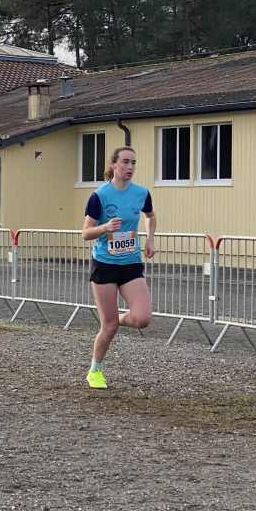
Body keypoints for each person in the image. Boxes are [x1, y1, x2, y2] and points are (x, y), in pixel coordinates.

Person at [81, 146, 156, 389]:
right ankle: (95, 370)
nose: (130, 167)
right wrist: (104, 228)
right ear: (113, 165)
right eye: (125, 162)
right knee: (109, 327)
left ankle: (118, 318)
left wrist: (150, 239)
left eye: (133, 162)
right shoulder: (99, 196)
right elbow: (85, 233)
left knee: (143, 318)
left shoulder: (141, 193)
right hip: (104, 264)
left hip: (131, 262)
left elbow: (150, 215)